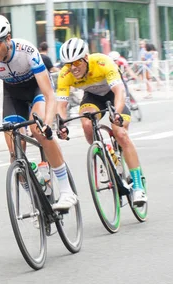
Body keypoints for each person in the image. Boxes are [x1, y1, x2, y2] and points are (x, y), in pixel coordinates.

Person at [0, 14, 78, 210]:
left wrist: (47, 122)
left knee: (38, 130)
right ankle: (36, 200)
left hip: (36, 89)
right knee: (15, 153)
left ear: (8, 39)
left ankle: (66, 190)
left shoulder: (27, 51)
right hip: (13, 95)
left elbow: (49, 94)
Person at [56, 38, 147, 206]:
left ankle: (138, 186)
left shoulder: (103, 62)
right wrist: (61, 124)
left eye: (77, 62)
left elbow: (119, 91)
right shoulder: (65, 74)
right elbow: (61, 105)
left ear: (85, 57)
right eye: (69, 64)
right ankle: (104, 152)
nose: (73, 67)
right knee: (86, 124)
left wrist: (117, 113)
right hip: (92, 97)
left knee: (120, 133)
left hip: (114, 94)